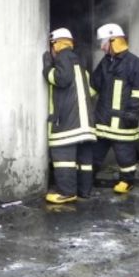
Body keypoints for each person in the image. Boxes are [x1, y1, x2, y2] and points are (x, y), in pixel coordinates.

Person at [90, 23, 139, 194]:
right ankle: (87, 178)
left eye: (104, 42)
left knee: (125, 155)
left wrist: (132, 111)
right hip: (103, 119)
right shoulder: (105, 62)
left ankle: (127, 181)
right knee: (94, 153)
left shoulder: (134, 63)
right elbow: (95, 85)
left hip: (123, 120)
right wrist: (81, 99)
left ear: (114, 41)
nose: (101, 47)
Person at [42, 27, 96, 204]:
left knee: (62, 153)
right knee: (84, 160)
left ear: (56, 44)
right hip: (85, 123)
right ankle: (84, 191)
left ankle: (66, 192)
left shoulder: (63, 56)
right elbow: (90, 89)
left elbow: (62, 79)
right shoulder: (78, 61)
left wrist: (47, 68)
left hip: (69, 123)